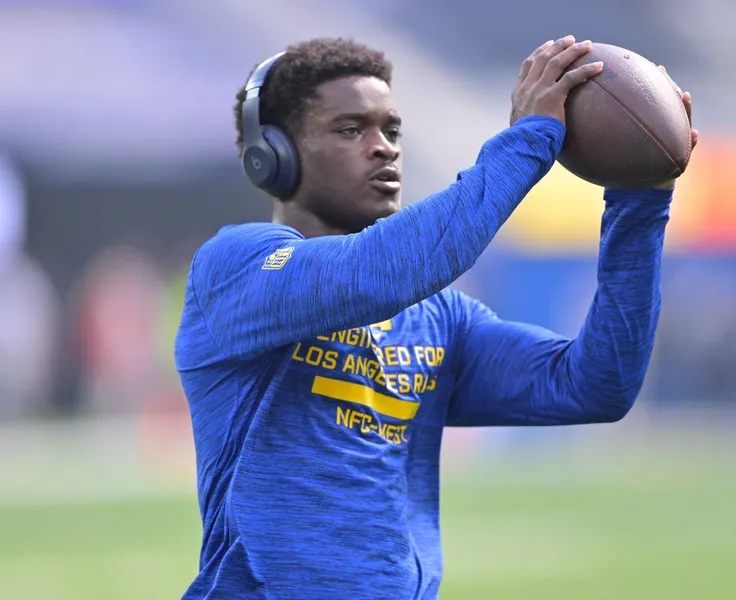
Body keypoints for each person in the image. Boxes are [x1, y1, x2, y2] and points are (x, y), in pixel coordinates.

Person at [175, 35, 698, 599]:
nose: (383, 148)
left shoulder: (438, 317)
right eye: (351, 130)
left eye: (392, 130)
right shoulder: (237, 267)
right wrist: (526, 141)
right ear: (274, 155)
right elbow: (377, 275)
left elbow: (595, 385)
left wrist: (641, 202)